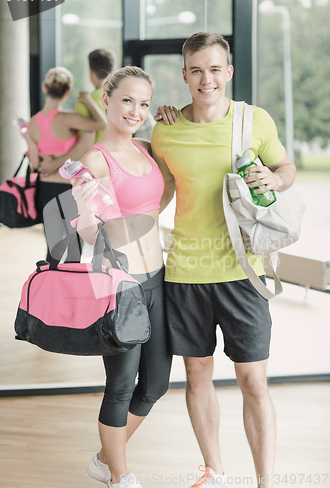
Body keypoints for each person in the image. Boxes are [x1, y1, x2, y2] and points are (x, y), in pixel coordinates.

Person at [151, 32, 296, 488]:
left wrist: (271, 178)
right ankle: (214, 473)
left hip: (242, 272)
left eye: (215, 69)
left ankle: (265, 483)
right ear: (185, 75)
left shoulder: (255, 121)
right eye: (196, 70)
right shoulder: (166, 129)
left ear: (228, 72)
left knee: (253, 380)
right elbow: (161, 190)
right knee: (197, 374)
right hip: (185, 271)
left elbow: (286, 169)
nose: (206, 79)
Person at [70, 65, 172, 488]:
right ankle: (119, 474)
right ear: (107, 99)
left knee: (156, 384)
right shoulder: (94, 161)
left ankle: (102, 458)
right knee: (120, 385)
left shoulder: (148, 148)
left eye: (144, 103)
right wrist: (84, 205)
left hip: (158, 278)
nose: (136, 110)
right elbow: (88, 236)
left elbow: (159, 196)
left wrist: (171, 118)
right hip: (120, 286)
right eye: (127, 100)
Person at [26, 66, 106, 263]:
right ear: (67, 92)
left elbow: (35, 162)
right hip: (67, 189)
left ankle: (49, 286)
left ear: (44, 87)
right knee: (74, 248)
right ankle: (70, 289)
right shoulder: (66, 119)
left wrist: (29, 139)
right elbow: (102, 124)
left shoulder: (32, 123)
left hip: (44, 188)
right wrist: (87, 99)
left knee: (52, 247)